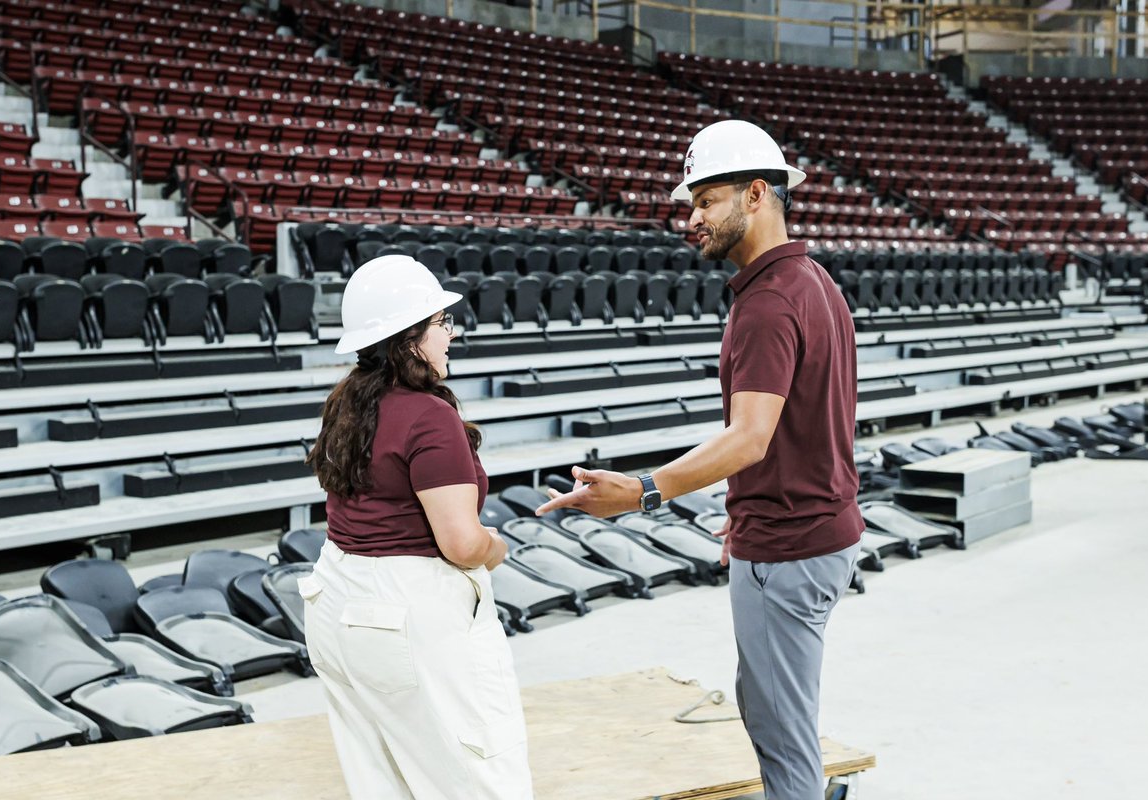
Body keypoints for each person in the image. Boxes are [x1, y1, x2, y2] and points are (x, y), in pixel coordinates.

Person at [536, 120, 862, 800]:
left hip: (790, 548)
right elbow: (808, 421)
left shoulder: (768, 303)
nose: (693, 219)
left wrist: (644, 491)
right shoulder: (815, 282)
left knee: (783, 741)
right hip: (804, 530)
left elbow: (750, 437)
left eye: (706, 200)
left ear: (754, 195)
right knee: (771, 708)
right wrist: (750, 503)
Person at [300, 255, 534, 800]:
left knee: (382, 779)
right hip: (410, 610)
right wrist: (496, 546)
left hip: (339, 599)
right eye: (441, 323)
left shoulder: (348, 400)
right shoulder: (429, 415)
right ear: (409, 338)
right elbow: (460, 543)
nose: (450, 335)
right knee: (479, 775)